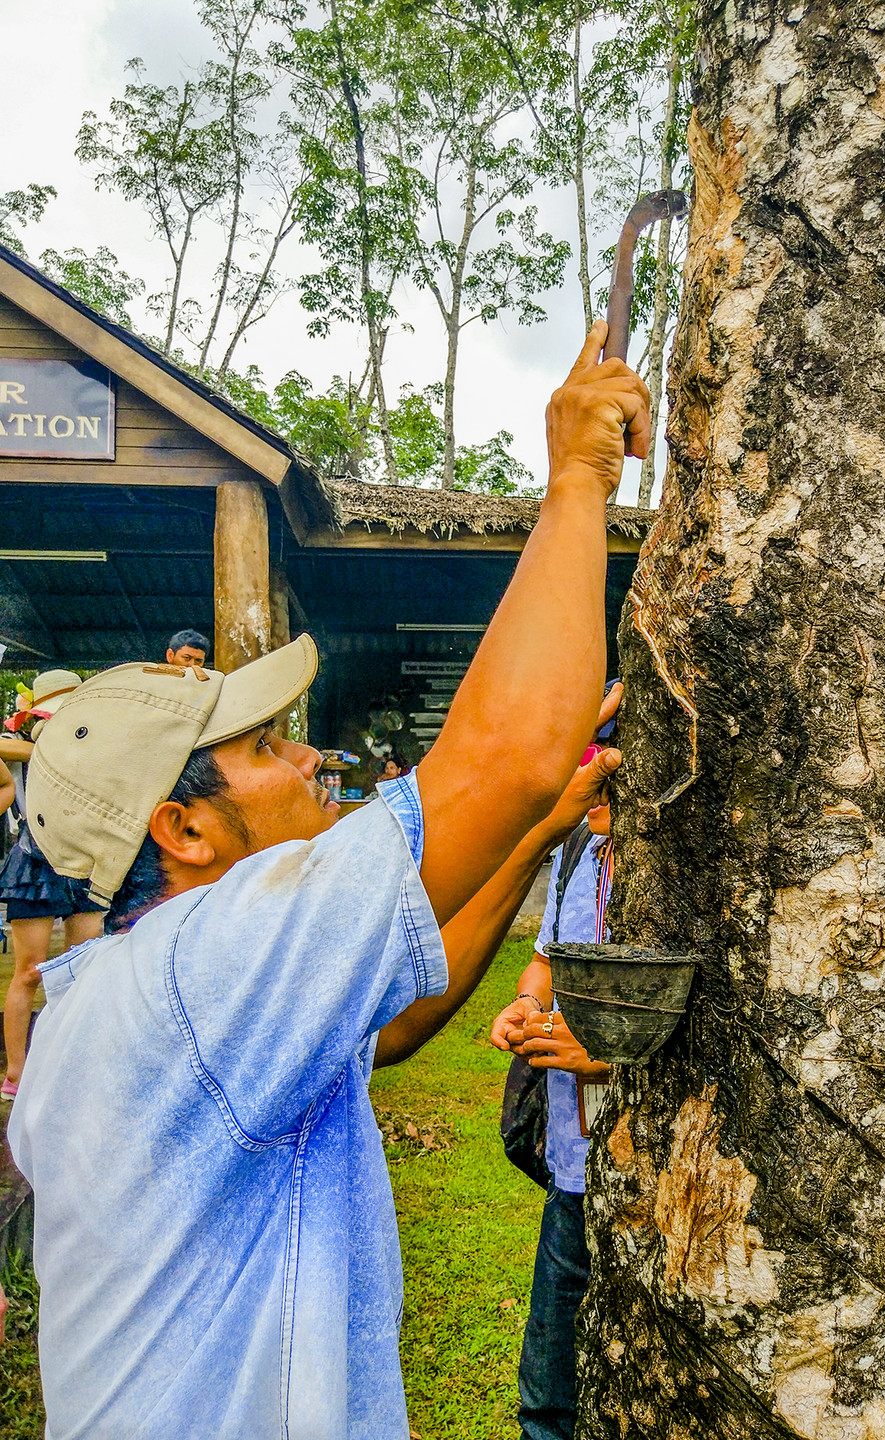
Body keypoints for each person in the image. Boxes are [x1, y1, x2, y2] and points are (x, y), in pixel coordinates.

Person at [8, 319, 648, 1439]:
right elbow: (508, 752)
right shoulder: (204, 970)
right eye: (262, 750)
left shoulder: (116, 1002)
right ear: (183, 830)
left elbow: (388, 1031)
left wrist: (533, 839)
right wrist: (578, 478)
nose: (310, 757)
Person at [490, 688, 620, 1440]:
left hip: (664, 1168)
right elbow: (544, 956)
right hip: (574, 1163)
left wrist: (609, 1051)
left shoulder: (693, 875)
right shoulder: (580, 848)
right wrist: (524, 1005)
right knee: (547, 1392)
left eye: (609, 764)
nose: (593, 784)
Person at [0, 671, 102, 1098]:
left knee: (82, 970)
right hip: (35, 864)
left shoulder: (94, 745)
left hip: (86, 861)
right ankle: (17, 1072)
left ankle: (71, 1064)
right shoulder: (26, 748)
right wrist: (36, 747)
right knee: (28, 972)